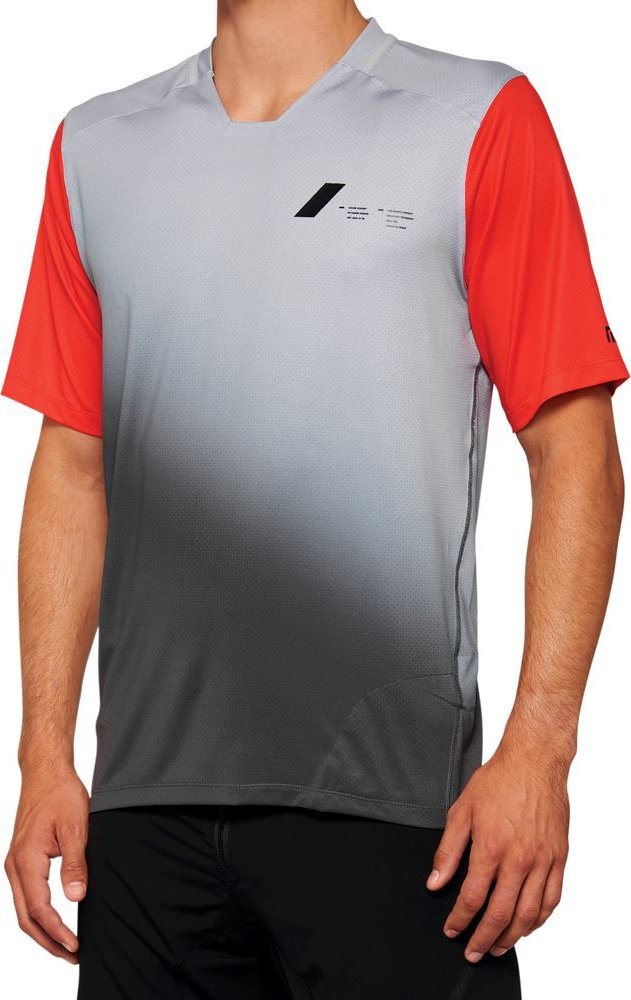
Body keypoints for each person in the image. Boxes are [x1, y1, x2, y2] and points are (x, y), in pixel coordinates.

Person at [2, 2, 627, 997]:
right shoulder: (96, 146)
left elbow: (574, 454)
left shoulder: (473, 116)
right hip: (145, 815)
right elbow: (73, 466)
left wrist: (540, 751)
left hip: (396, 810)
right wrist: (43, 752)